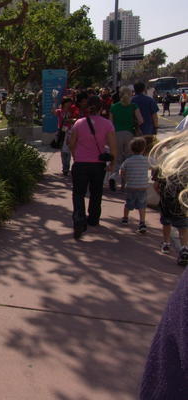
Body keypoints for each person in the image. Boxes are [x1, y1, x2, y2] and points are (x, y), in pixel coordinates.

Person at [139, 129, 188, 400]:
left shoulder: (163, 171)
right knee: (182, 227)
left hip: (168, 207)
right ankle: (183, 245)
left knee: (168, 225)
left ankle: (167, 243)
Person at [68, 95, 117, 239]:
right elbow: (113, 147)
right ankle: (93, 218)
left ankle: (79, 218)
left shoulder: (79, 123)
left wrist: (75, 155)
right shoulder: (107, 124)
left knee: (78, 193)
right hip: (98, 164)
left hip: (80, 163)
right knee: (96, 192)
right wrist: (112, 163)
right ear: (101, 108)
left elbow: (71, 143)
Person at [108, 86, 144, 191]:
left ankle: (113, 177)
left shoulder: (114, 107)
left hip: (116, 134)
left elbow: (110, 123)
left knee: (117, 158)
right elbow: (141, 120)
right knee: (128, 158)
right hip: (129, 133)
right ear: (131, 94)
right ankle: (125, 183)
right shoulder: (133, 106)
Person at [120, 137, 149, 233]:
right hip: (142, 186)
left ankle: (125, 218)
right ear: (143, 149)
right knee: (142, 205)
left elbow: (122, 171)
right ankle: (142, 223)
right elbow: (153, 167)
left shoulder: (128, 161)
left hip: (131, 185)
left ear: (131, 149)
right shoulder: (146, 160)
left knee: (128, 203)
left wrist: (125, 178)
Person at [53, 97, 75, 175]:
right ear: (64, 103)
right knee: (63, 151)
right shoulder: (60, 111)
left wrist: (71, 120)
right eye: (68, 102)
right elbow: (53, 112)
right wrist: (54, 102)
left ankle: (67, 168)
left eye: (70, 103)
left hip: (70, 132)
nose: (69, 104)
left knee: (68, 150)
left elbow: (75, 119)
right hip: (61, 132)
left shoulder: (72, 111)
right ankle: (64, 167)